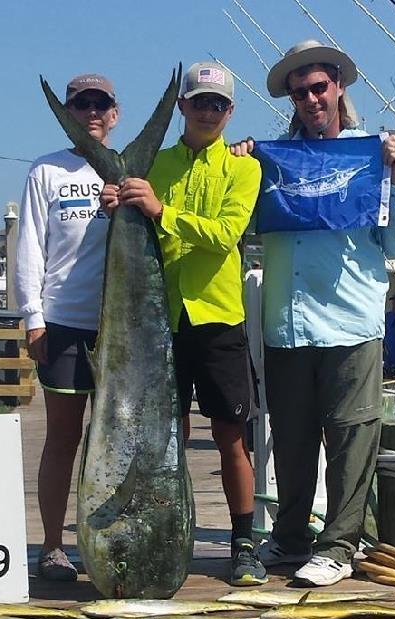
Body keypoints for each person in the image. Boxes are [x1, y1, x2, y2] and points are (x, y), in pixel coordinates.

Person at [231, 40, 395, 586]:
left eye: (319, 87)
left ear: (338, 86)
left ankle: (338, 545)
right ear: (291, 99)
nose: (312, 98)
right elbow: (241, 221)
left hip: (353, 323)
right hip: (287, 324)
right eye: (300, 92)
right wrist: (241, 164)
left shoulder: (373, 152)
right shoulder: (269, 159)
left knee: (350, 439)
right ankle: (290, 537)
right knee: (289, 441)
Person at [101, 62, 266, 586]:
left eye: (218, 104)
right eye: (199, 101)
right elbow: (146, 223)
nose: (208, 111)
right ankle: (168, 528)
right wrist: (121, 204)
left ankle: (243, 543)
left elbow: (224, 235)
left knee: (230, 435)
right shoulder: (155, 165)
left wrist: (157, 210)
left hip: (218, 317)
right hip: (160, 322)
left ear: (230, 111)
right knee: (163, 435)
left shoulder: (244, 169)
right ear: (182, 107)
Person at [14, 72, 119, 582]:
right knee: (63, 438)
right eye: (82, 104)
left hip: (119, 329)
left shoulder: (127, 173)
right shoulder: (45, 171)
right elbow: (29, 247)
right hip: (62, 322)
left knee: (117, 442)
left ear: (114, 114)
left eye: (101, 104)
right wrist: (33, 318)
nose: (92, 112)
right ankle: (54, 546)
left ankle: (110, 542)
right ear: (69, 113)